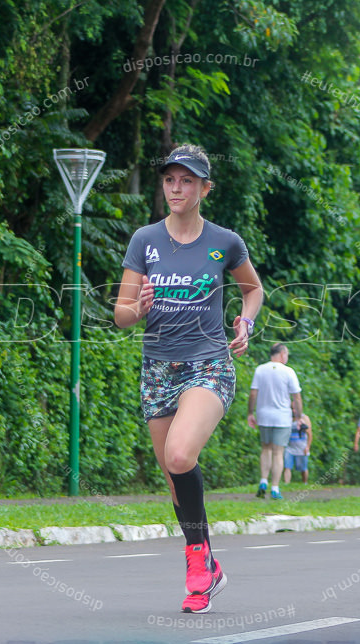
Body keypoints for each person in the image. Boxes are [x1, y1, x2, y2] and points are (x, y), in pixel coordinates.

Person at [115, 144, 263, 615]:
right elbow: (119, 313)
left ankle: (198, 565)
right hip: (158, 368)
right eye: (169, 180)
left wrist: (246, 321)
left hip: (208, 363)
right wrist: (136, 310)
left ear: (204, 188)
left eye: (186, 181)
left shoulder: (226, 241)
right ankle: (206, 567)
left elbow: (252, 289)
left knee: (180, 455)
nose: (176, 188)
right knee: (175, 482)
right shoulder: (145, 239)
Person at [248, 343, 302, 500]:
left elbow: (253, 394)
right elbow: (296, 397)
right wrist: (298, 417)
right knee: (278, 452)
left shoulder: (260, 369)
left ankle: (263, 481)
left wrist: (250, 413)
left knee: (265, 449)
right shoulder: (288, 372)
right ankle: (275, 488)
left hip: (263, 416)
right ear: (282, 354)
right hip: (282, 417)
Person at [283, 413, 313, 484]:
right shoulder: (287, 417)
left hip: (301, 447)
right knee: (287, 467)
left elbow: (309, 434)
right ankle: (286, 484)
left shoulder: (304, 418)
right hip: (289, 447)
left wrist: (307, 447)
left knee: (303, 468)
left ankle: (305, 483)